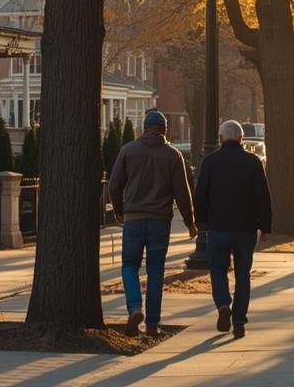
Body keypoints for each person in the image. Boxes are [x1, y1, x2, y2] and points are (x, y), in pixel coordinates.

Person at [108, 109, 198, 337]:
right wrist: (190, 222)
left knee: (129, 265)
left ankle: (134, 307)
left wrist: (119, 210)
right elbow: (182, 192)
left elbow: (114, 186)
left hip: (134, 219)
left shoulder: (128, 151)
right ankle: (152, 323)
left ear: (144, 128)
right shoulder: (173, 155)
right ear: (164, 131)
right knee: (156, 269)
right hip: (160, 220)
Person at [193, 119, 273, 339]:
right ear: (242, 139)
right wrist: (265, 226)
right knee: (243, 275)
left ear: (220, 139)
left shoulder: (209, 162)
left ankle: (222, 304)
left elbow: (200, 196)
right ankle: (239, 321)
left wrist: (201, 222)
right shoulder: (253, 162)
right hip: (245, 229)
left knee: (218, 270)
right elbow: (263, 196)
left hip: (218, 228)